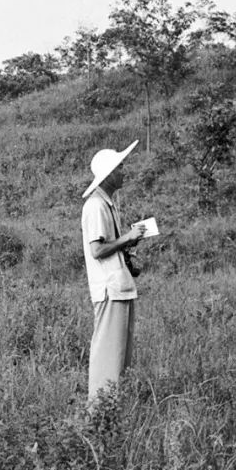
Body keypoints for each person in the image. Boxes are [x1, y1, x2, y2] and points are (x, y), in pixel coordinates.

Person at [81, 140, 148, 403]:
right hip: (110, 289)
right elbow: (97, 250)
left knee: (120, 353)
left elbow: (109, 247)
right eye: (120, 167)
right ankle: (98, 408)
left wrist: (128, 244)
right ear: (108, 175)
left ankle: (111, 407)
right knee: (108, 353)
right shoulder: (95, 206)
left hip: (120, 287)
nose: (124, 171)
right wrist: (127, 238)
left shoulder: (108, 204)